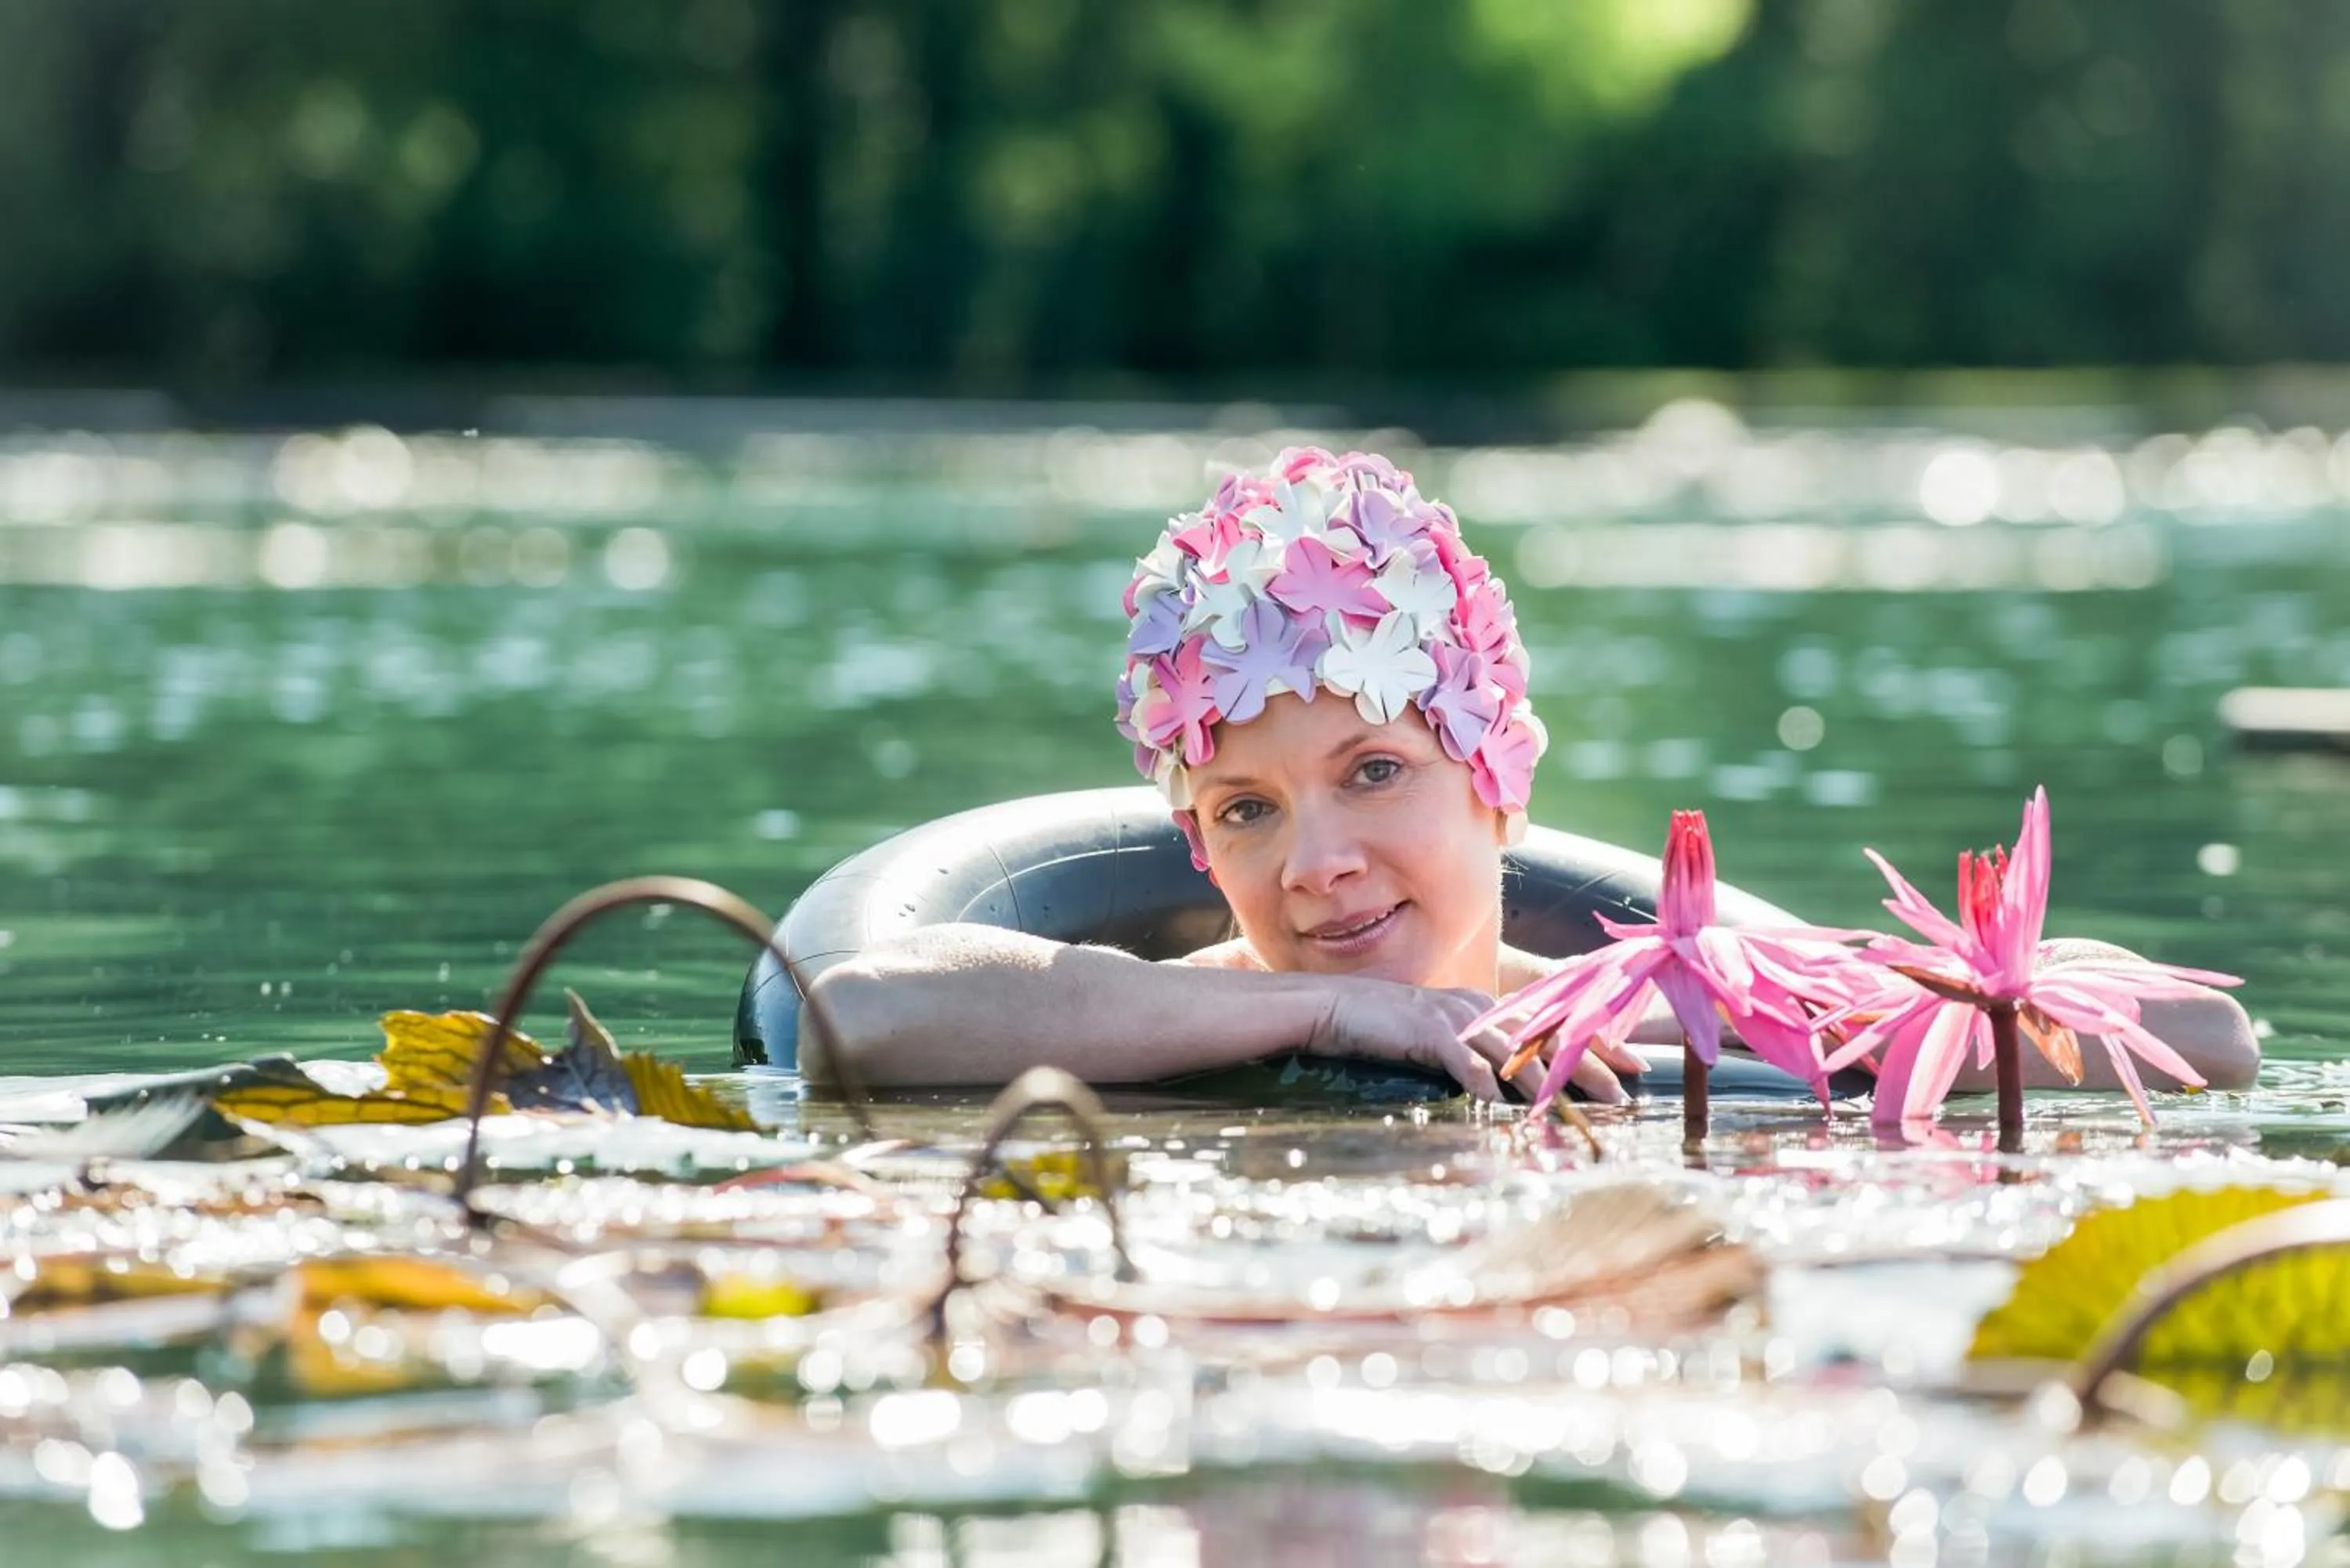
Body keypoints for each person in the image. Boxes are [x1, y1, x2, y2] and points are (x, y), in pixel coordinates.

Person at [799, 448, 2258, 1104]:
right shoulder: (1170, 1009)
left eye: (1376, 768)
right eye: (1247, 808)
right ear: (1196, 838)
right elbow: (855, 1014)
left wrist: (1856, 1013)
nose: (1315, 862)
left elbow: (2214, 1037)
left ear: (1498, 781)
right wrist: (1325, 1010)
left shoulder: (1661, 1012)